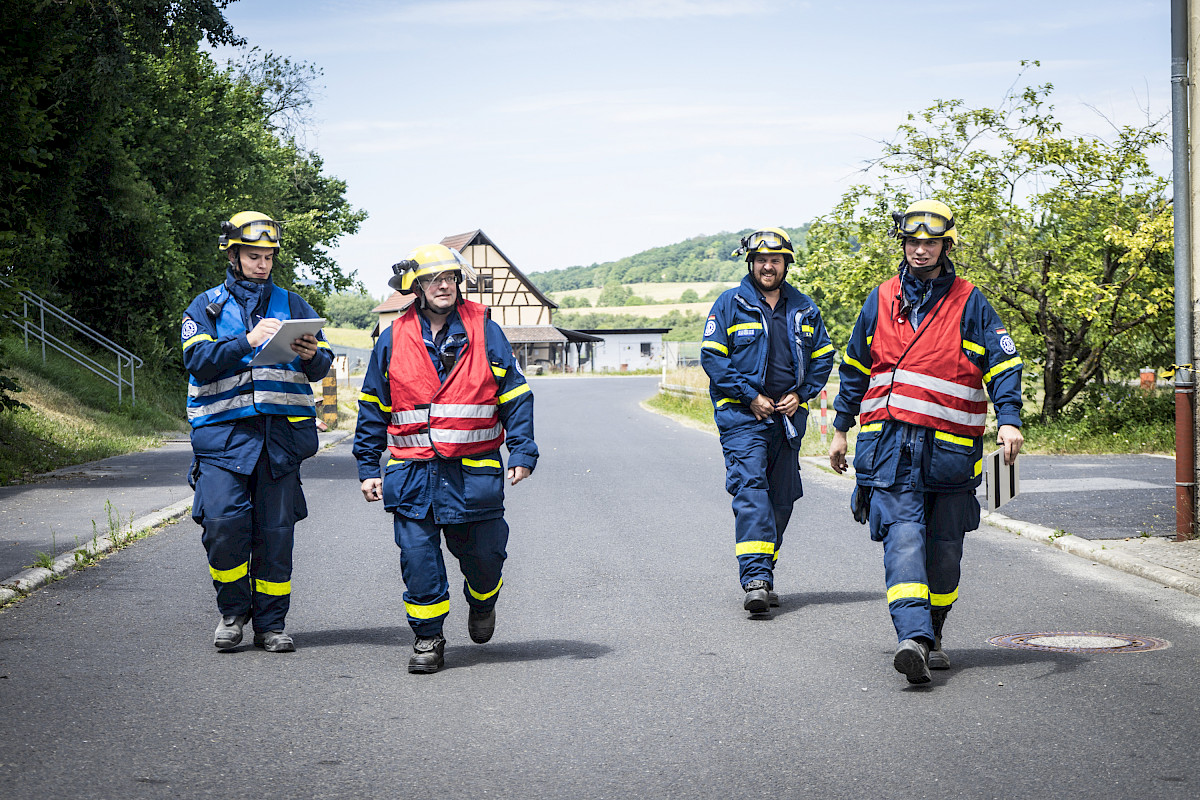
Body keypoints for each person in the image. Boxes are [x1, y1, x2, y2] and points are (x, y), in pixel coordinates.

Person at [828, 199, 1024, 684]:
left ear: (945, 245)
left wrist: (1009, 419)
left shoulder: (970, 301)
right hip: (889, 448)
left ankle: (933, 630)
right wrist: (839, 428)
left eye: (929, 242)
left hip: (950, 452)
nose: (920, 250)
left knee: (944, 549)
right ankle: (911, 638)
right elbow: (854, 368)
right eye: (913, 242)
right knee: (903, 538)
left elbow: (1003, 365)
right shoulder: (879, 298)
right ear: (904, 244)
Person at [353, 244, 537, 674]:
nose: (444, 286)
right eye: (435, 280)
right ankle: (427, 639)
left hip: (473, 472)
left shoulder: (485, 328)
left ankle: (483, 599)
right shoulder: (393, 337)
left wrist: (523, 450)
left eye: (451, 279)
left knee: (485, 558)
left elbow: (515, 395)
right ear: (416, 287)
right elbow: (372, 405)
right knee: (418, 558)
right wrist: (367, 466)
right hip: (413, 471)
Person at [182, 211, 333, 652]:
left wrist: (309, 355)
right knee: (224, 528)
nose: (262, 264)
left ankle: (271, 625)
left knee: (276, 535)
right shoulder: (205, 306)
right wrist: (247, 341)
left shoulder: (293, 304)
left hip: (280, 442)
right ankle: (232, 613)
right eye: (253, 255)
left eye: (268, 256)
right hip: (222, 441)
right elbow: (196, 361)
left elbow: (320, 364)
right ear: (233, 256)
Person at [700, 227, 836, 614]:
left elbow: (824, 354)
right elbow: (712, 357)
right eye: (761, 260)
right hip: (743, 416)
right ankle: (756, 578)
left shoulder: (805, 307)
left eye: (775, 260)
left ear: (786, 264)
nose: (768, 266)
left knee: (783, 498)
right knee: (752, 490)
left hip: (788, 419)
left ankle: (765, 567)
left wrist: (802, 392)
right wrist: (750, 395)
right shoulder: (730, 303)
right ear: (751, 263)